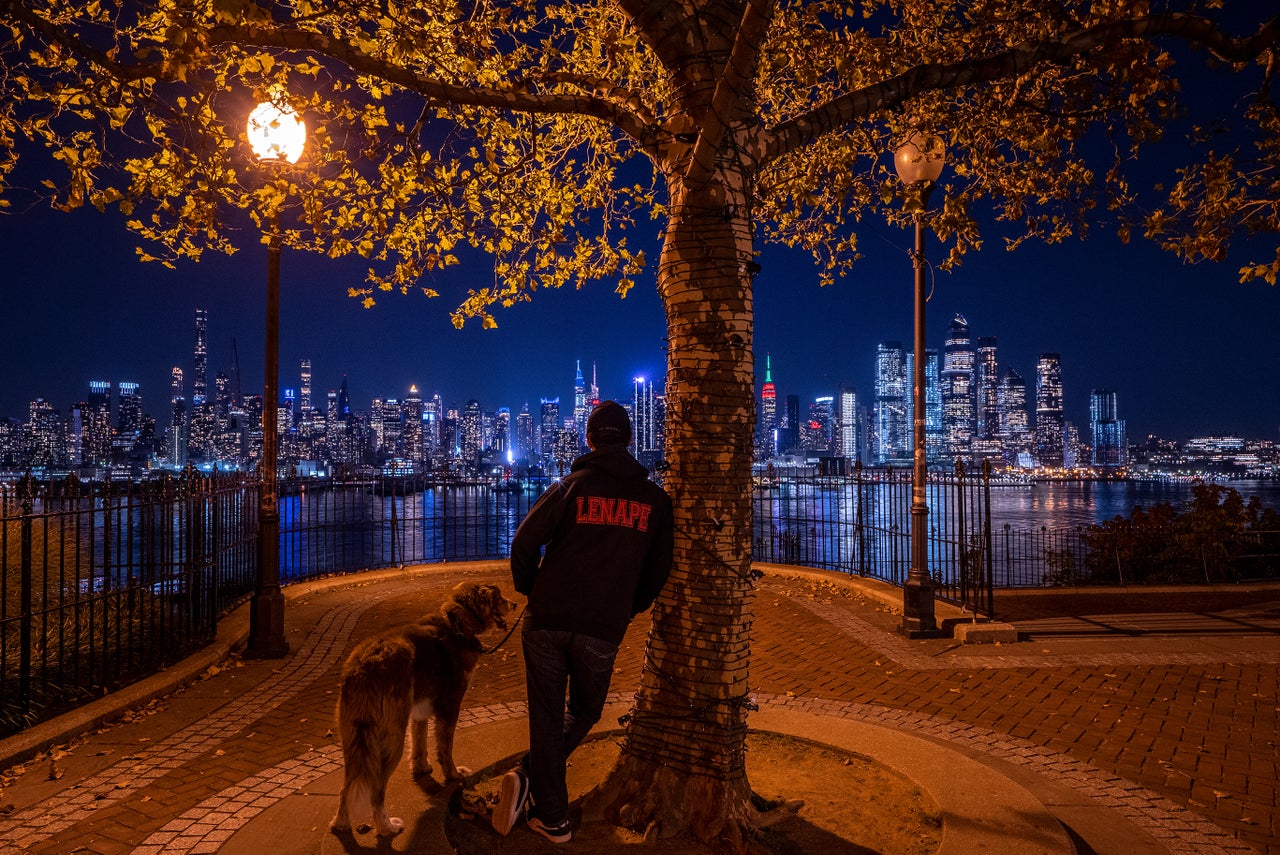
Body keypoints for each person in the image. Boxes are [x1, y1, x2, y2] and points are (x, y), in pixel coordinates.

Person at [493, 400, 674, 844]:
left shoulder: (570, 487)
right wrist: (630, 606)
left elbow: (523, 542)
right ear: (630, 441)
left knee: (546, 715)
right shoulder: (654, 500)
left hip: (547, 619)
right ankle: (537, 790)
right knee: (587, 711)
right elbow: (659, 568)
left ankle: (547, 807)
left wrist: (531, 589)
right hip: (602, 627)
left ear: (589, 440)